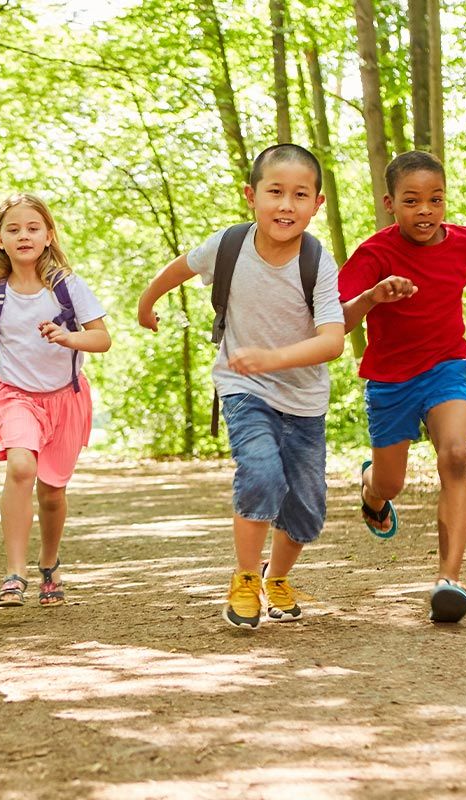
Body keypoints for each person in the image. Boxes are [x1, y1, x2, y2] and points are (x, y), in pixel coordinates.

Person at [137, 144, 346, 630]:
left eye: (300, 195)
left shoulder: (318, 262)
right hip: (242, 388)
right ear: (252, 196)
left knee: (307, 510)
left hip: (304, 399)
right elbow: (181, 267)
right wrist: (148, 301)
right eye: (275, 192)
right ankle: (247, 578)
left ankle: (278, 579)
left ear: (317, 204)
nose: (286, 206)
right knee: (261, 473)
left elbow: (333, 341)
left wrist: (273, 358)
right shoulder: (229, 244)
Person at [339, 150, 466, 623]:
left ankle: (450, 580)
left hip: (447, 367)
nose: (424, 210)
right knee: (392, 483)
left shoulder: (464, 241)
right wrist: (372, 297)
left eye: (435, 199)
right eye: (412, 201)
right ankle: (371, 491)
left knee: (455, 455)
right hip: (389, 379)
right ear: (390, 203)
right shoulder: (374, 254)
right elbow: (338, 319)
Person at [0, 194, 110, 609]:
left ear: (48, 236)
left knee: (51, 493)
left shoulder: (68, 287)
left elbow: (102, 338)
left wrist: (69, 337)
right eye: (13, 229)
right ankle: (14, 573)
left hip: (65, 399)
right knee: (21, 464)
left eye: (32, 228)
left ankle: (49, 563)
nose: (23, 235)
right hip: (13, 395)